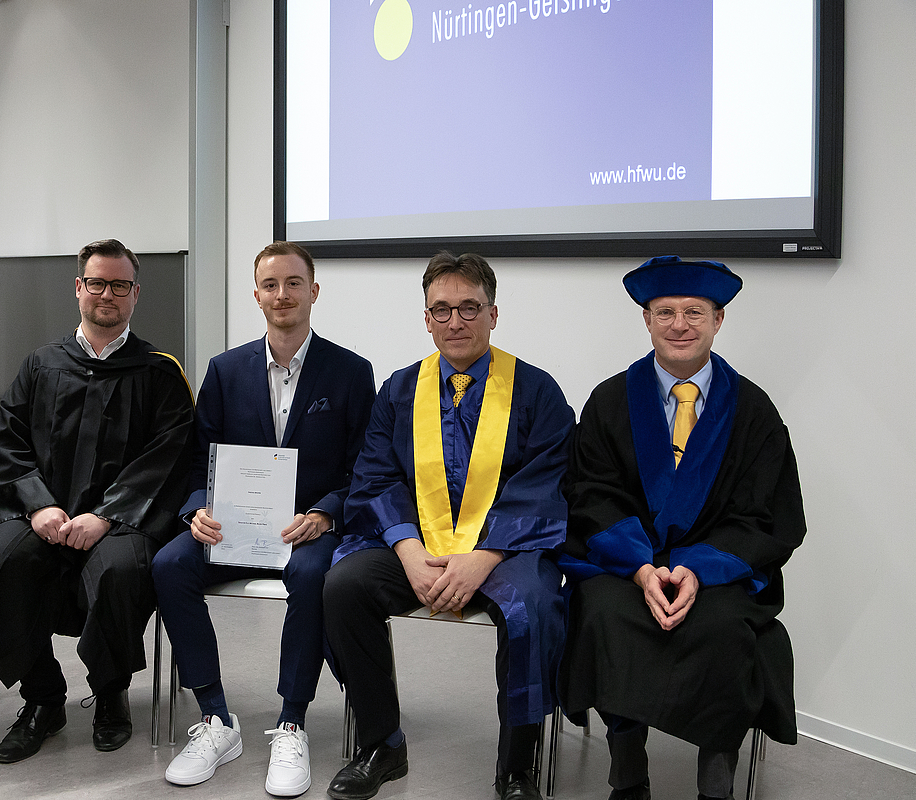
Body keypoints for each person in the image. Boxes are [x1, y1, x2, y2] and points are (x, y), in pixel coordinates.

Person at [323, 252, 575, 800]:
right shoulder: (399, 390)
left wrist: (484, 556)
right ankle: (381, 744)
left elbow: (547, 482)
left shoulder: (536, 391)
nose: (455, 321)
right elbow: (375, 477)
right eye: (442, 310)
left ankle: (516, 768)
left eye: (469, 308)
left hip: (505, 552)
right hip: (419, 547)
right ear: (427, 319)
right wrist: (409, 552)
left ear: (493, 314)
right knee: (344, 587)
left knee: (531, 606)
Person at [557, 255, 806, 800]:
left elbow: (765, 515)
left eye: (694, 312)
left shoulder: (754, 412)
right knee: (605, 614)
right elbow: (590, 495)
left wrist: (696, 568)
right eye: (665, 312)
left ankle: (715, 784)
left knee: (724, 629)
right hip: (626, 566)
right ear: (646, 320)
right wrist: (641, 568)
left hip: (717, 572)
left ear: (719, 320)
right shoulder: (609, 402)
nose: (679, 325)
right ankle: (629, 777)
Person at [152, 241, 376, 796]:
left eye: (294, 283)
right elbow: (199, 459)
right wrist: (197, 510)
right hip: (233, 525)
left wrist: (326, 513)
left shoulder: (351, 372)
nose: (282, 295)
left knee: (312, 574)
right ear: (256, 296)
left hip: (307, 530)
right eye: (271, 285)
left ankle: (292, 722)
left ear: (313, 291)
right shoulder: (225, 370)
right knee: (169, 565)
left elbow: (364, 468)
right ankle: (216, 718)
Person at [0, 238, 195, 764]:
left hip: (122, 520)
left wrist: (106, 516)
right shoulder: (42, 364)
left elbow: (169, 457)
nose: (107, 294)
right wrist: (38, 505)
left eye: (119, 285)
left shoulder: (159, 372)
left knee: (120, 571)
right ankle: (43, 698)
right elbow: (7, 441)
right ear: (78, 288)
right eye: (96, 283)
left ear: (136, 293)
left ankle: (111, 693)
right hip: (44, 514)